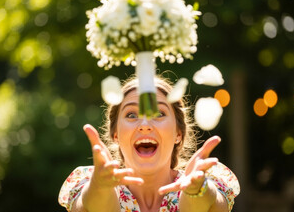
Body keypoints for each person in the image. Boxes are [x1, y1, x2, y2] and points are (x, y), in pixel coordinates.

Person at [58, 75, 240, 212]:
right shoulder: (88, 182)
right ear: (115, 135)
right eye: (131, 115)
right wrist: (99, 186)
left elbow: (203, 206)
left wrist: (196, 191)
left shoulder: (205, 181)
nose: (145, 125)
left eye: (159, 114)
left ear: (178, 133)